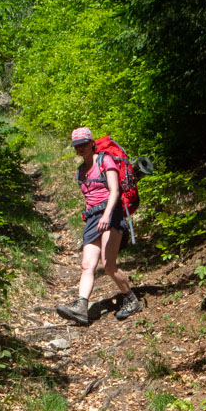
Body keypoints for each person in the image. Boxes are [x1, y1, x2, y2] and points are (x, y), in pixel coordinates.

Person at [56, 126, 141, 326]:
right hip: (93, 218)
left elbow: (115, 192)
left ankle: (131, 299)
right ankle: (81, 307)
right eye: (76, 145)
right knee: (87, 265)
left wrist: (107, 214)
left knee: (109, 264)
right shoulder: (80, 171)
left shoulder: (105, 161)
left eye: (83, 144)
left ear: (92, 143)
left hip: (111, 214)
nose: (80, 148)